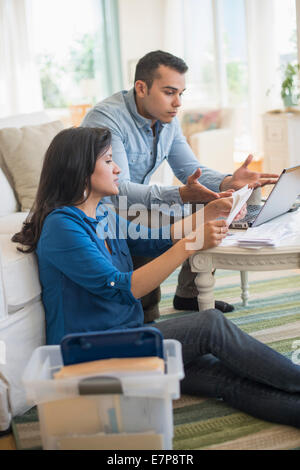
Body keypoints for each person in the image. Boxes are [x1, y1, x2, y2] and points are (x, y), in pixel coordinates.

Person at [12, 127, 300, 429]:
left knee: (224, 379)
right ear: (81, 168)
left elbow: (157, 238)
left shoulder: (101, 214)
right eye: (109, 161)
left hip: (128, 338)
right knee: (209, 324)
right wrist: (192, 244)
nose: (118, 168)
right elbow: (126, 288)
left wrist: (209, 212)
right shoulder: (62, 227)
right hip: (91, 356)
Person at [81, 50, 278, 322]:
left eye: (181, 94)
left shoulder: (167, 120)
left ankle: (190, 294)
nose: (177, 103)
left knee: (214, 205)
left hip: (132, 199)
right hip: (103, 204)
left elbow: (189, 170)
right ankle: (145, 310)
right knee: (168, 214)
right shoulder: (108, 119)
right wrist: (180, 195)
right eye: (170, 92)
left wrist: (228, 181)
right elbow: (119, 191)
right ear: (141, 87)